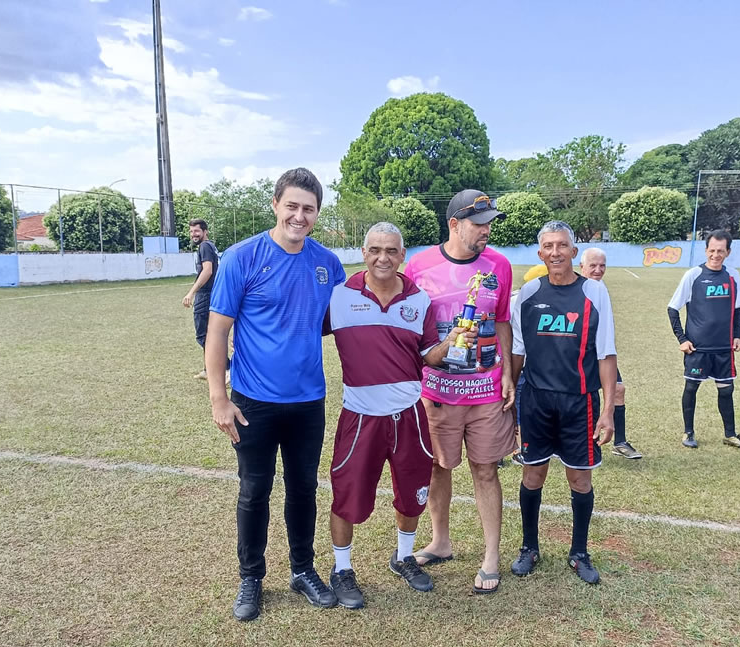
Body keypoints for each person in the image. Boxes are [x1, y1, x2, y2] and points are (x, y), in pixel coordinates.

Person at [205, 168, 346, 622]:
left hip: (308, 402)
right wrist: (218, 399)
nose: (299, 216)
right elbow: (217, 332)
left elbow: (340, 322)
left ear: (317, 213)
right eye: (292, 206)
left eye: (308, 209)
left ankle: (303, 570)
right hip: (253, 402)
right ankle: (251, 576)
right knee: (254, 490)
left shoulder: (328, 264)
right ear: (275, 205)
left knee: (303, 488)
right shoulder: (242, 257)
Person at [325, 222, 476, 609]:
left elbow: (428, 356)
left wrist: (453, 341)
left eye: (391, 251)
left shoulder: (418, 300)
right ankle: (342, 569)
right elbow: (299, 332)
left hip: (409, 415)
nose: (383, 258)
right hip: (360, 416)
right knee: (347, 496)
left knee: (413, 494)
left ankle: (404, 557)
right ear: (364, 252)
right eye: (375, 249)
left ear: (402, 256)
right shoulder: (339, 297)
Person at [404, 189, 516, 595]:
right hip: (437, 391)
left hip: (486, 390)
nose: (486, 231)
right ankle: (441, 541)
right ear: (454, 224)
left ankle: (490, 555)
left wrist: (507, 374)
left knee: (486, 470)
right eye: (479, 223)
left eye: (489, 223)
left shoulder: (499, 265)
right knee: (438, 466)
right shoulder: (418, 266)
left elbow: (502, 321)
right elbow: (410, 327)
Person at [509, 222, 616, 584]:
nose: (555, 252)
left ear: (574, 251)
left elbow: (606, 353)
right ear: (540, 254)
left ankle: (579, 552)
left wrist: (607, 411)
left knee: (579, 480)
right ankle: (529, 547)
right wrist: (511, 393)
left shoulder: (594, 292)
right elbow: (518, 350)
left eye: (563, 246)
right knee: (533, 474)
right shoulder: (527, 293)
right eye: (548, 246)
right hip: (537, 401)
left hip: (580, 403)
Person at [667, 229, 740, 451]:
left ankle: (731, 434)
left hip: (724, 347)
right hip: (697, 348)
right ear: (706, 250)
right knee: (691, 387)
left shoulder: (733, 276)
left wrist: (737, 335)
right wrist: (682, 339)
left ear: (728, 252)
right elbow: (673, 309)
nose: (716, 255)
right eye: (712, 250)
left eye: (720, 251)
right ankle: (688, 432)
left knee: (726, 390)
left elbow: (737, 309)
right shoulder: (693, 275)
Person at [580, 247, 642, 459]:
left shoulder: (600, 287)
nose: (598, 270)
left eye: (602, 266)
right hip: (581, 355)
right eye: (593, 266)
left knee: (618, 389)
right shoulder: (579, 288)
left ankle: (620, 442)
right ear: (581, 267)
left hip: (602, 354)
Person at [182, 219, 220, 380]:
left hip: (205, 294)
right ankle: (208, 370)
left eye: (196, 231)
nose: (193, 234)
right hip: (212, 293)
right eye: (191, 231)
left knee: (203, 335)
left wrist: (191, 292)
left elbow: (207, 271)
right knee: (210, 333)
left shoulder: (204, 246)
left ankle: (227, 367)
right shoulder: (210, 246)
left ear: (205, 232)